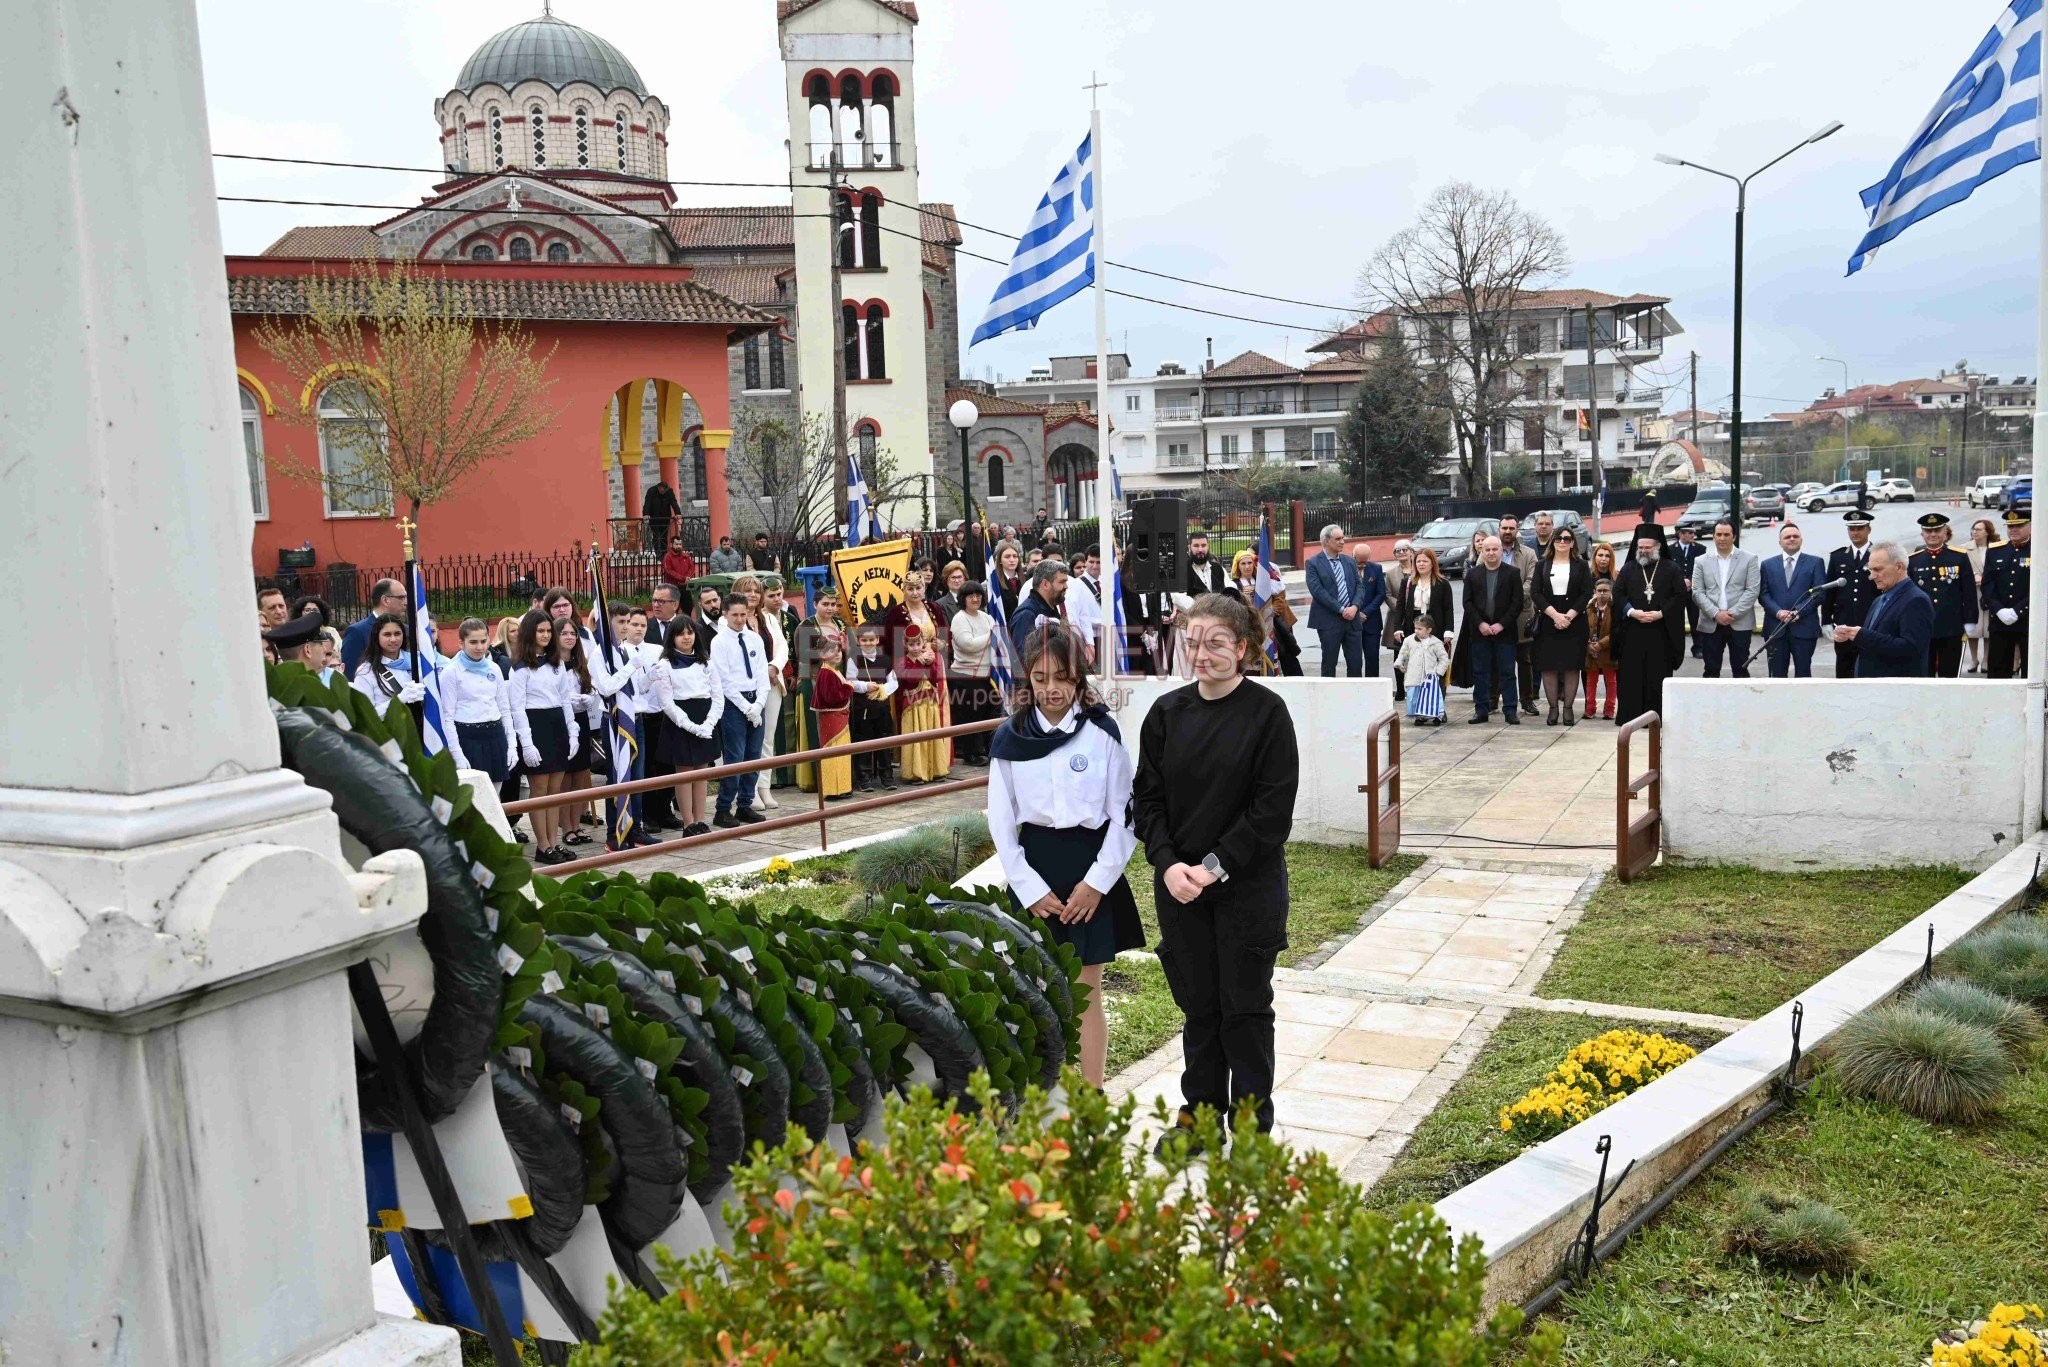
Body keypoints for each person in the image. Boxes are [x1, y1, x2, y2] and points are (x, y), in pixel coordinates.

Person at [1134, 593, 1299, 1149]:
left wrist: (1211, 867)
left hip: (1245, 890)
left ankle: (1252, 1127)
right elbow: (1147, 803)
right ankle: (1200, 1120)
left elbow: (1271, 812)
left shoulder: (1268, 714)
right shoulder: (1165, 715)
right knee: (1200, 1009)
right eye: (1193, 642)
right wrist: (1167, 864)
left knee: (1245, 1010)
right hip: (1180, 890)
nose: (1201, 654)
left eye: (1216, 644)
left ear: (1243, 648)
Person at [988, 621, 1142, 1087]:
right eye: (1039, 678)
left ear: (1079, 677)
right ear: (1027, 678)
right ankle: (1049, 1096)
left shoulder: (1102, 731)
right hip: (1034, 869)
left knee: (1084, 990)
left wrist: (1097, 883)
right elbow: (1001, 821)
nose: (1051, 689)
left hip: (1089, 869)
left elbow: (1126, 814)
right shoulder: (1010, 738)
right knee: (1035, 987)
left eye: (1062, 678)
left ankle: (1090, 1096)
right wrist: (1029, 889)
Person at [508, 610, 580, 864]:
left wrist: (573, 732)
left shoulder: (556, 663)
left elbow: (565, 699)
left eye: (549, 631)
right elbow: (516, 707)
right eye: (541, 631)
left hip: (556, 723)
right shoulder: (520, 667)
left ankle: (554, 842)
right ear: (530, 633)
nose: (546, 635)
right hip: (535, 726)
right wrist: (526, 743)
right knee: (539, 790)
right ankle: (543, 846)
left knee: (555, 789)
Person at [1612, 525, 1688, 725]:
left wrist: (1661, 613)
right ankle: (1630, 716)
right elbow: (1618, 594)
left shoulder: (1671, 569)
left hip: (1660, 632)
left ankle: (1656, 717)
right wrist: (1632, 612)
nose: (1643, 551)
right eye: (1640, 547)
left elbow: (1680, 596)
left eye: (1647, 547)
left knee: (1657, 675)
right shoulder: (1629, 568)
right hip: (1633, 632)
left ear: (1658, 547)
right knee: (1631, 676)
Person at [652, 616, 721, 836]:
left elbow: (718, 696)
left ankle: (701, 820)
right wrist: (690, 726)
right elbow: (666, 702)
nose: (686, 637)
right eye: (681, 633)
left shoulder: (706, 662)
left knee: (701, 770)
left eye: (690, 633)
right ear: (672, 637)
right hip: (679, 721)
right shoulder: (665, 665)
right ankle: (688, 823)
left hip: (705, 716)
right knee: (684, 772)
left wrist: (709, 723)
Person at [709, 591, 770, 827]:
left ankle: (745, 804)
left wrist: (759, 704)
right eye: (734, 614)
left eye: (743, 614)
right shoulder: (720, 642)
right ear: (725, 614)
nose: (739, 619)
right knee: (735, 757)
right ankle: (723, 808)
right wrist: (747, 707)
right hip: (734, 704)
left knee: (754, 755)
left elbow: (762, 674)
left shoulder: (754, 639)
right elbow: (724, 681)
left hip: (756, 699)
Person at [436, 618, 518, 787]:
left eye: (483, 641)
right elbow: (447, 716)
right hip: (467, 738)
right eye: (473, 642)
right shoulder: (451, 672)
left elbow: (504, 709)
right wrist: (457, 754)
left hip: (495, 735)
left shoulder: (494, 668)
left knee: (495, 797)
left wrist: (512, 745)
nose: (479, 647)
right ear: (461, 643)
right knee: (474, 797)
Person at [1840, 541, 1933, 678]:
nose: (1872, 576)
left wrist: (1862, 635)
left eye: (1877, 569)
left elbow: (1911, 648)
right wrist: (1849, 636)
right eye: (1870, 570)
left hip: (1897, 687)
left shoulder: (1916, 600)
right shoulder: (1880, 599)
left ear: (1899, 567)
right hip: (1875, 687)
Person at [1531, 526, 1593, 725]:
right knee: (1549, 667)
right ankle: (1553, 709)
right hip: (1549, 620)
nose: (1563, 542)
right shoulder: (1542, 565)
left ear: (1573, 542)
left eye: (1567, 539)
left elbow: (1586, 593)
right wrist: (1555, 615)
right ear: (1553, 541)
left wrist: (1569, 616)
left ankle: (1567, 709)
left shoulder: (1581, 565)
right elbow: (1536, 593)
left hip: (1574, 622)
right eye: (1558, 538)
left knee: (1571, 667)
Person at [1461, 535, 1525, 724]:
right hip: (1480, 633)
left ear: (1500, 551)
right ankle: (1481, 710)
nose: (1490, 553)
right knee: (1481, 672)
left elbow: (1517, 603)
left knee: (1507, 672)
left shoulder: (1513, 573)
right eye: (1487, 549)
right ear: (1482, 551)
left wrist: (1501, 624)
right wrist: (1480, 623)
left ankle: (1510, 710)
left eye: (1494, 549)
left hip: (1504, 632)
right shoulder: (1473, 574)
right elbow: (1467, 602)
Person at [1908, 511, 1976, 678]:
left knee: (1950, 674)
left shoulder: (1958, 557)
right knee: (1924, 674)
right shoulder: (1913, 560)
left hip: (1951, 626)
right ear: (1922, 534)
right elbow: (1908, 595)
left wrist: (1970, 619)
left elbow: (1968, 591)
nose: (1933, 534)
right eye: (1928, 531)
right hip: (1923, 627)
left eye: (1937, 530)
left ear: (1945, 532)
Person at [1691, 519, 1760, 678]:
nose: (1722, 538)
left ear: (1734, 537)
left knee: (1741, 669)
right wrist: (1716, 613)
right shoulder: (1701, 561)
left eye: (1726, 534)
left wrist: (1731, 614)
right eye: (1719, 534)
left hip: (1740, 623)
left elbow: (1752, 590)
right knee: (1711, 670)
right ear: (1713, 536)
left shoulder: (1749, 559)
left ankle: (1741, 703)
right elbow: (1697, 592)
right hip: (1711, 622)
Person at [1759, 522, 1827, 678]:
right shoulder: (1767, 565)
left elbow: (1819, 594)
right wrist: (1778, 612)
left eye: (1795, 536)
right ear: (1780, 542)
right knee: (1776, 676)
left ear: (1801, 540)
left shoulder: (1815, 562)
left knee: (1803, 674)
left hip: (1804, 628)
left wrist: (1798, 612)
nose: (1791, 539)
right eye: (1787, 537)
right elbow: (1763, 594)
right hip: (1775, 629)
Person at [1390, 547, 1456, 707]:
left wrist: (1449, 630)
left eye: (1425, 561)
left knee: (1437, 667)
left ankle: (1438, 707)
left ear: (1432, 563)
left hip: (1436, 629)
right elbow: (1400, 607)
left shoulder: (1443, 584)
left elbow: (1448, 609)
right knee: (1416, 668)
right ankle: (1419, 707)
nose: (1421, 564)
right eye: (1418, 561)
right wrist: (1398, 628)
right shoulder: (1407, 583)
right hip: (1414, 629)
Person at [1822, 510, 1881, 679]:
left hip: (1870, 623)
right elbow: (1830, 591)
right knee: (1844, 671)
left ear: (1869, 530)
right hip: (1844, 625)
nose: (1855, 533)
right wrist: (1826, 621)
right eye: (1852, 529)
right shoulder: (1838, 556)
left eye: (1860, 528)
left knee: (1870, 670)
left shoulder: (1878, 555)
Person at [893, 628, 952, 782]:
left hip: (930, 703)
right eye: (911, 644)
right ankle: (915, 773)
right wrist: (920, 662)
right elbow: (910, 679)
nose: (916, 648)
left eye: (918, 644)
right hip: (913, 708)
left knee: (932, 735)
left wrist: (931, 664)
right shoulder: (902, 662)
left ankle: (935, 770)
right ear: (906, 645)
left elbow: (935, 678)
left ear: (923, 643)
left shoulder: (930, 657)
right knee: (916, 739)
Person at [948, 581, 998, 763]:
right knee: (970, 717)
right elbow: (968, 644)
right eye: (971, 596)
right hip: (965, 676)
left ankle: (985, 750)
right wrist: (991, 635)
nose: (975, 599)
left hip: (987, 675)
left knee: (986, 714)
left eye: (978, 595)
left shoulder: (986, 617)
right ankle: (970, 754)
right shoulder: (959, 618)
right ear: (964, 599)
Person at [1232, 548, 1301, 676]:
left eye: (1249, 563)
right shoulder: (1233, 585)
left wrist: (1269, 612)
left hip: (1272, 626)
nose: (1247, 567)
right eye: (1243, 563)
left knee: (1285, 654)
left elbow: (1279, 596)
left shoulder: (1264, 580)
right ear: (1237, 566)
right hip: (1249, 629)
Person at [1981, 509, 2033, 679]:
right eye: (2010, 526)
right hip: (2000, 620)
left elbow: (2041, 586)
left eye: (2019, 525)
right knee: (1997, 671)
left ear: (2031, 526)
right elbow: (1987, 584)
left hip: (2029, 620)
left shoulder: (2039, 550)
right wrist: (1998, 609)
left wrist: (2019, 610)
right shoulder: (1996, 550)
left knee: (2032, 672)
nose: (2013, 530)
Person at [846, 621, 898, 791]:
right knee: (863, 743)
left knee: (884, 741)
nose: (868, 644)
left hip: (882, 709)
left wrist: (882, 689)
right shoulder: (854, 659)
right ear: (859, 641)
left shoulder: (885, 659)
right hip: (863, 710)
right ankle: (864, 778)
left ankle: (887, 777)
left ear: (877, 640)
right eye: (864, 641)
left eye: (871, 640)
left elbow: (894, 682)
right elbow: (851, 682)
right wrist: (866, 687)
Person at [1498, 514, 1540, 713]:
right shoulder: (1489, 550)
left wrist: (1510, 600)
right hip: (1496, 617)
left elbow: (1531, 582)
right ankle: (1492, 699)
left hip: (1522, 614)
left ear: (1517, 530)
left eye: (1511, 528)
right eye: (1504, 528)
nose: (1508, 531)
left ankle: (1527, 699)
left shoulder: (1529, 553)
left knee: (1524, 661)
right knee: (1497, 660)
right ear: (1499, 529)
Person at [807, 634, 858, 800]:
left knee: (842, 752)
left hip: (839, 717)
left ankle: (842, 786)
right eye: (831, 651)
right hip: (832, 719)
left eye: (838, 651)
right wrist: (848, 688)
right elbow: (832, 697)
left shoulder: (832, 671)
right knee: (834, 752)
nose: (837, 654)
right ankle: (833, 789)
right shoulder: (827, 673)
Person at [350, 613, 437, 708]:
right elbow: (366, 715)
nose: (393, 639)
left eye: (397, 634)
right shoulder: (366, 671)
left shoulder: (418, 661)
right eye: (387, 635)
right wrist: (399, 700)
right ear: (376, 637)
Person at [340, 578, 407, 675]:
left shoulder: (406, 629)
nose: (405, 602)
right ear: (385, 600)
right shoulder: (357, 632)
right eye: (401, 597)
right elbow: (351, 673)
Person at [1394, 614, 1450, 726]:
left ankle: (1437, 716)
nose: (1417, 631)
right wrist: (1400, 663)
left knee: (1432, 697)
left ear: (1429, 630)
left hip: (1430, 677)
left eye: (1420, 629)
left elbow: (1444, 658)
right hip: (1414, 675)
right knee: (1415, 697)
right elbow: (1404, 653)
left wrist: (1438, 672)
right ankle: (1420, 716)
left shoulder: (1436, 643)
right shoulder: (1409, 641)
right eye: (1415, 628)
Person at [1011, 559, 1068, 656]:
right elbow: (1023, 658)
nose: (1066, 586)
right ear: (1045, 584)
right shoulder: (1026, 614)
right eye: (1061, 582)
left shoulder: (1051, 609)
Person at [1966, 517, 2000, 673]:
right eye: (1973, 529)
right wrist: (1972, 577)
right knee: (1973, 628)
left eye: (1978, 529)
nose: (1975, 532)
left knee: (1987, 629)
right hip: (1972, 592)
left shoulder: (1996, 548)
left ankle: (1986, 660)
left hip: (1990, 592)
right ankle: (1974, 659)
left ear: (1987, 532)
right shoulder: (1964, 548)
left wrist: (1985, 579)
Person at [264, 613, 339, 683]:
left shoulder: (273, 685)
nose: (324, 649)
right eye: (320, 644)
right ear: (307, 650)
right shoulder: (318, 690)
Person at [1667, 524, 1705, 653]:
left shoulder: (1700, 549)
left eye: (1693, 533)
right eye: (1689, 533)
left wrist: (1692, 580)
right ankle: (1675, 648)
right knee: (1676, 620)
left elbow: (1702, 567)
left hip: (1693, 589)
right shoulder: (1669, 550)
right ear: (1681, 534)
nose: (1692, 535)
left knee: (1695, 618)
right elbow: (1668, 569)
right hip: (1677, 590)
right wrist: (1681, 581)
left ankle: (1698, 647)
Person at [1381, 540, 1412, 696]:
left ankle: (1414, 687)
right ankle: (1400, 690)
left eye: (1404, 550)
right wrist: (1401, 609)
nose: (1401, 553)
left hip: (1417, 617)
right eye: (1397, 551)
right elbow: (1387, 595)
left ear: (1411, 551)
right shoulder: (1391, 573)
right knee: (1399, 653)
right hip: (1397, 618)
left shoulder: (1419, 568)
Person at [1584, 579, 1617, 720]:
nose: (1602, 594)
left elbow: (1617, 630)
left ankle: (1610, 709)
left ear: (1611, 593)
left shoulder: (1615, 608)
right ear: (1594, 592)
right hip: (1591, 650)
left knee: (1611, 681)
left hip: (1608, 650)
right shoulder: (1588, 608)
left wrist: (1602, 644)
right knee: (1591, 681)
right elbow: (1582, 629)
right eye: (1599, 591)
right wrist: (1588, 644)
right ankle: (1590, 708)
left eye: (1606, 591)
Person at [1185, 531, 1231, 598]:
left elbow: (1229, 588)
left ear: (1208, 546)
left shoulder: (1218, 568)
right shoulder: (1182, 570)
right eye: (1196, 546)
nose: (1200, 549)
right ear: (1189, 548)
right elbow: (1178, 597)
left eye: (1203, 545)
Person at [990, 540, 1026, 620]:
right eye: (1007, 557)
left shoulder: (1025, 579)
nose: (1012, 560)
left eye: (1015, 556)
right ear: (1000, 560)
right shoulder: (995, 582)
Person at [643, 476, 681, 552]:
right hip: (654, 517)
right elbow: (647, 503)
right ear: (659, 488)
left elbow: (673, 502)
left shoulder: (669, 491)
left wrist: (678, 513)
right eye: (661, 491)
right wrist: (646, 514)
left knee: (664, 536)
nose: (662, 493)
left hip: (665, 517)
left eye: (664, 491)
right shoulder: (651, 491)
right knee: (656, 536)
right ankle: (657, 552)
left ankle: (664, 552)